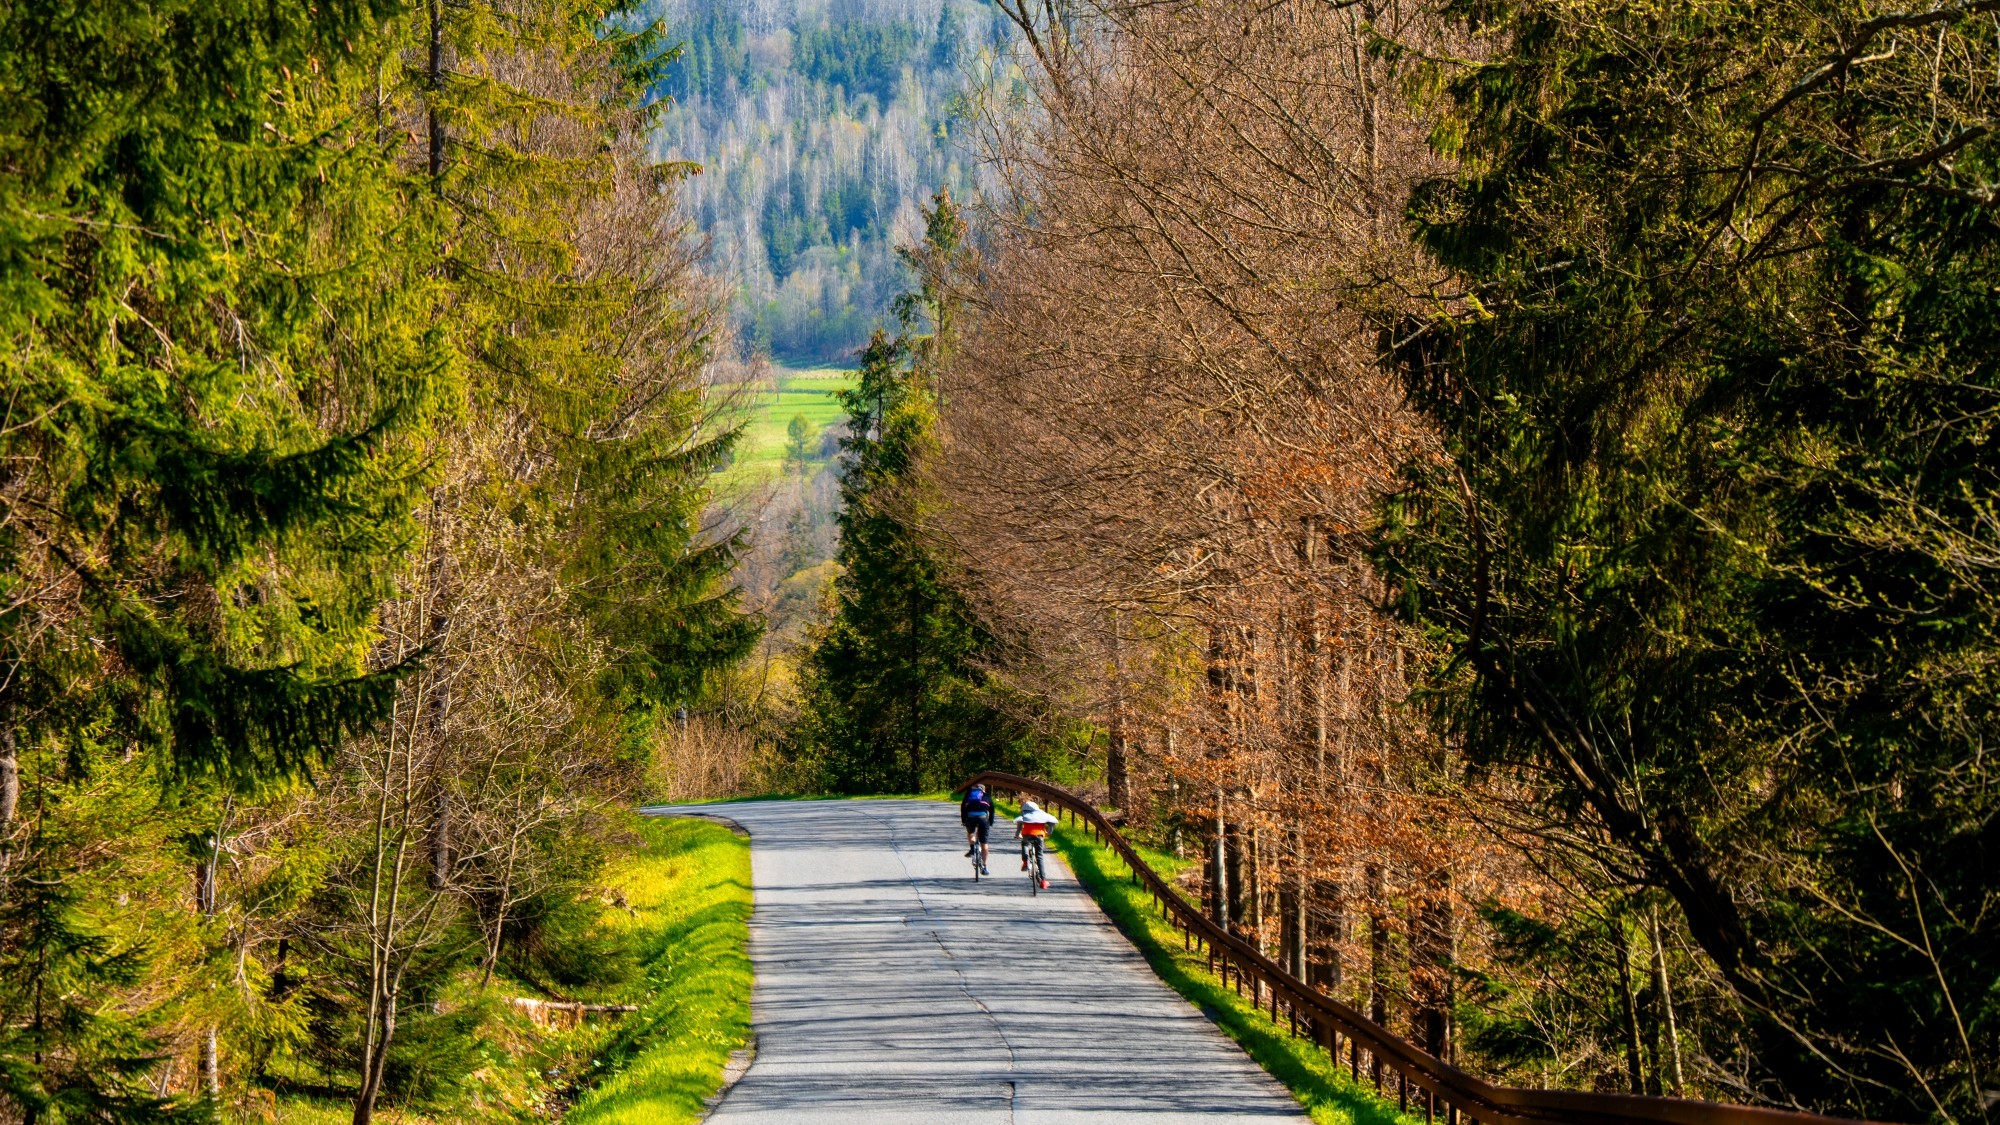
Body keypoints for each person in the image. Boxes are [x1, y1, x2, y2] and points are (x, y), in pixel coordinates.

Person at [1015, 800, 1060, 889]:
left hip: (1027, 835)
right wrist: (1049, 832)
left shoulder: (1024, 815)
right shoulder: (1042, 815)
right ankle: (1043, 881)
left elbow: (1019, 824)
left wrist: (1017, 834)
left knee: (1024, 844)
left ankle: (1025, 861)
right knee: (1039, 856)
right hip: (1039, 835)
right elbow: (1053, 822)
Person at [960, 784, 995, 874]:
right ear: (983, 790)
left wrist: (964, 820)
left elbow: (963, 807)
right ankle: (984, 866)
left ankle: (972, 848)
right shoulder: (987, 796)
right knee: (984, 843)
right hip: (983, 818)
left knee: (970, 832)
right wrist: (990, 822)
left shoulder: (969, 795)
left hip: (970, 817)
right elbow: (992, 810)